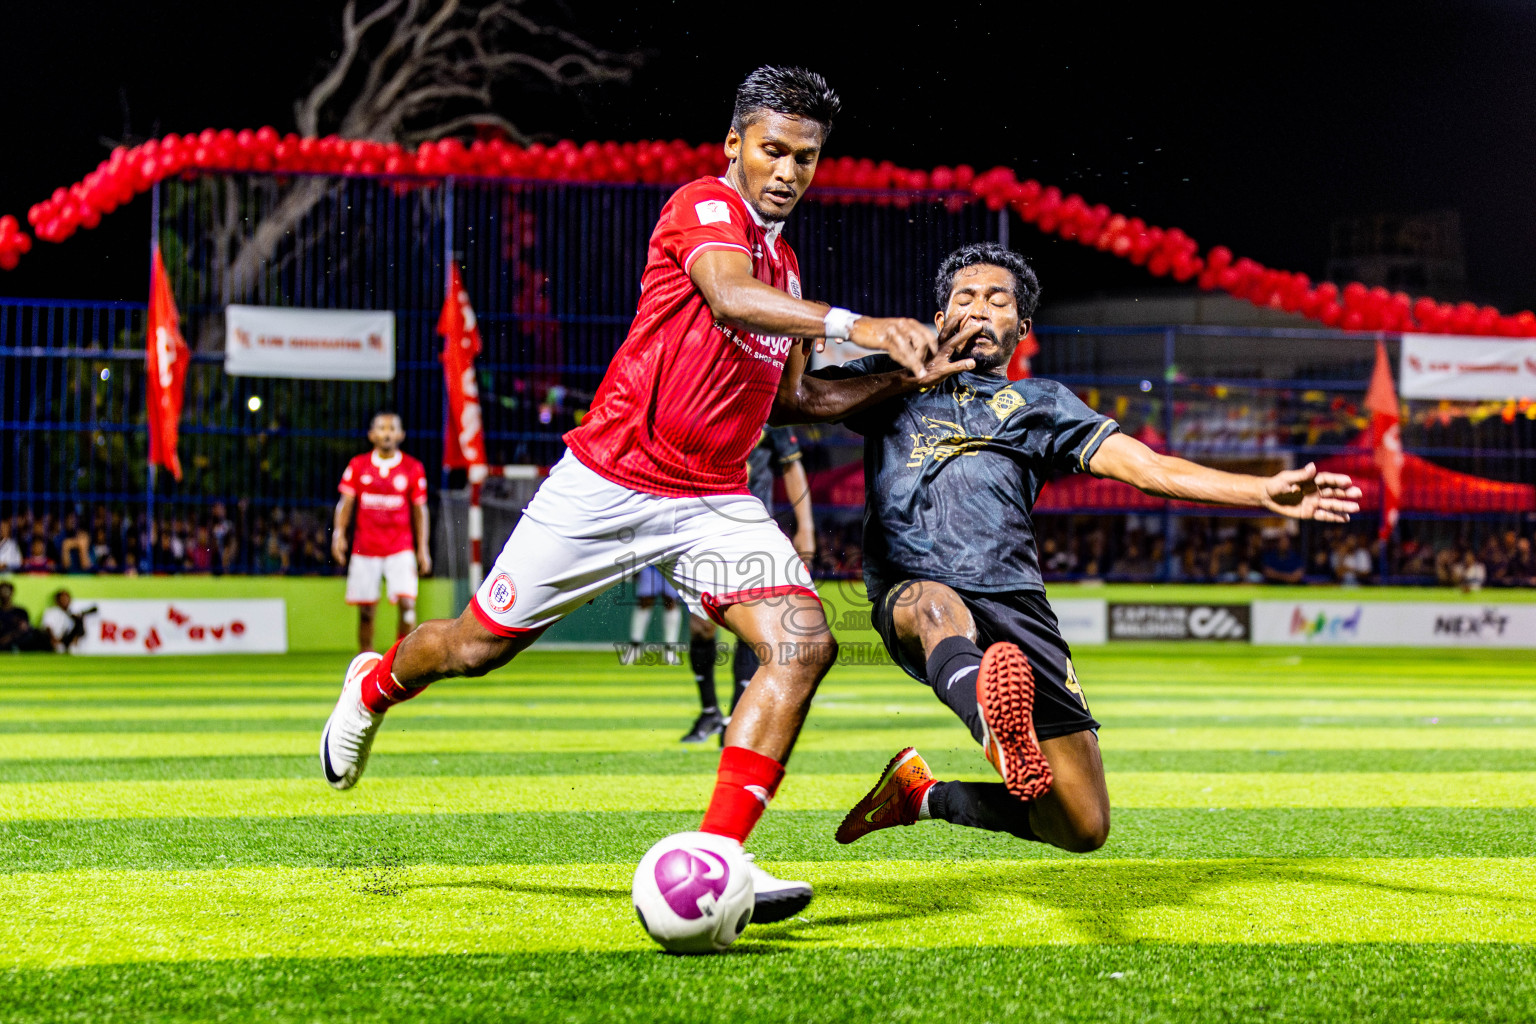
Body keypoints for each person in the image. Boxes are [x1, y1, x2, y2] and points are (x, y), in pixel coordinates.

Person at [320, 66, 960, 924]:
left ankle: (720, 852)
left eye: (806, 157)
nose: (788, 170)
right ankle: (374, 687)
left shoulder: (789, 262)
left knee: (802, 644)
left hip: (712, 498)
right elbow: (729, 297)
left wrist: (910, 376)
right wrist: (859, 326)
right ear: (734, 145)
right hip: (609, 482)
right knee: (476, 648)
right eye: (773, 149)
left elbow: (799, 402)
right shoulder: (704, 206)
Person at [811, 242, 1359, 855]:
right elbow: (792, 401)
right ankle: (991, 719)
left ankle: (921, 795)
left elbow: (1148, 467)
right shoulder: (892, 387)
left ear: (1020, 328)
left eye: (998, 301)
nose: (978, 311)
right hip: (915, 588)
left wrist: (1260, 490)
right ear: (940, 322)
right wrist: (902, 368)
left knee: (1080, 824)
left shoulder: (1041, 403)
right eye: (964, 299)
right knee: (937, 609)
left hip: (1017, 605)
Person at [683, 425, 815, 743]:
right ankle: (709, 711)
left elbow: (791, 463)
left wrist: (806, 528)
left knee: (749, 622)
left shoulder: (768, 399)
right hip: (706, 525)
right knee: (701, 627)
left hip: (752, 529)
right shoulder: (706, 401)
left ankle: (735, 717)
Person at [331, 411, 432, 653]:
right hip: (366, 548)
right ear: (371, 434)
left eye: (391, 428)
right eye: (381, 427)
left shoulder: (412, 467)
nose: (387, 432)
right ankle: (365, 661)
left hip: (400, 547)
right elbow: (345, 503)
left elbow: (420, 510)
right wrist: (339, 534)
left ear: (401, 434)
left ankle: (402, 662)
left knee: (408, 604)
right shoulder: (358, 465)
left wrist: (423, 548)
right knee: (366, 611)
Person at [623, 566, 684, 667]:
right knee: (645, 602)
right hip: (650, 563)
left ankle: (670, 649)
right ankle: (635, 647)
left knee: (671, 602)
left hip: (671, 563)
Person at [0, 582, 46, 652]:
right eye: (2, 591)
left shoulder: (20, 611)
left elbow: (24, 628)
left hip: (16, 639)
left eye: (6, 591)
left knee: (35, 633)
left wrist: (9, 637)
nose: (4, 594)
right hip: (1, 640)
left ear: (12, 592)